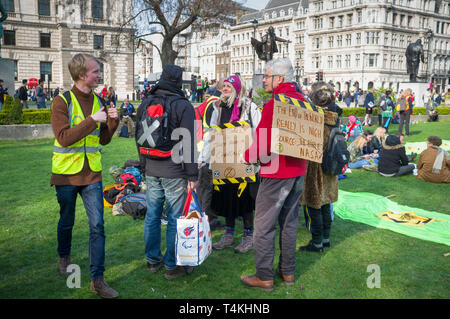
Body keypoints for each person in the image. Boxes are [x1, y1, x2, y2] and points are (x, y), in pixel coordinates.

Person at [51, 53, 119, 298]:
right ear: (82, 75)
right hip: (66, 175)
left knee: (98, 226)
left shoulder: (100, 99)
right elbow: (64, 138)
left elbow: (103, 140)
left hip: (92, 174)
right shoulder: (62, 101)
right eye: (95, 71)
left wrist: (112, 123)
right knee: (66, 221)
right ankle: (64, 255)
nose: (99, 75)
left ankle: (97, 280)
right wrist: (92, 120)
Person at [241, 58, 307, 291]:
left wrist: (246, 156)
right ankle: (287, 271)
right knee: (289, 223)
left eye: (267, 76)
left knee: (264, 225)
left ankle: (264, 276)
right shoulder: (303, 101)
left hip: (276, 173)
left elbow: (261, 145)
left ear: (279, 78)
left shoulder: (274, 104)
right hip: (299, 172)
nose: (264, 80)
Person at [136, 64, 198, 280]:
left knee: (152, 216)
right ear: (179, 81)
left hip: (151, 168)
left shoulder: (146, 102)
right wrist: (192, 176)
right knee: (174, 217)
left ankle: (152, 261)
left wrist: (143, 165)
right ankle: (172, 266)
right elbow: (189, 143)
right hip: (174, 170)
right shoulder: (183, 106)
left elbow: (138, 136)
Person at [199, 75, 261, 254]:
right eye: (223, 86)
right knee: (226, 198)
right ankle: (229, 234)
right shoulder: (217, 107)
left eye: (229, 86)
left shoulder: (249, 107)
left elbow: (258, 131)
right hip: (223, 160)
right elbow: (211, 134)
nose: (225, 88)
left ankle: (249, 236)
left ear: (237, 88)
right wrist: (205, 159)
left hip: (244, 160)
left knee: (245, 199)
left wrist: (256, 157)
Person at [298, 82, 342, 252]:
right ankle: (325, 239)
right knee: (325, 203)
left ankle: (316, 242)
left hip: (315, 168)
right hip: (330, 167)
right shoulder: (334, 116)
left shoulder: (315, 118)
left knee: (313, 203)